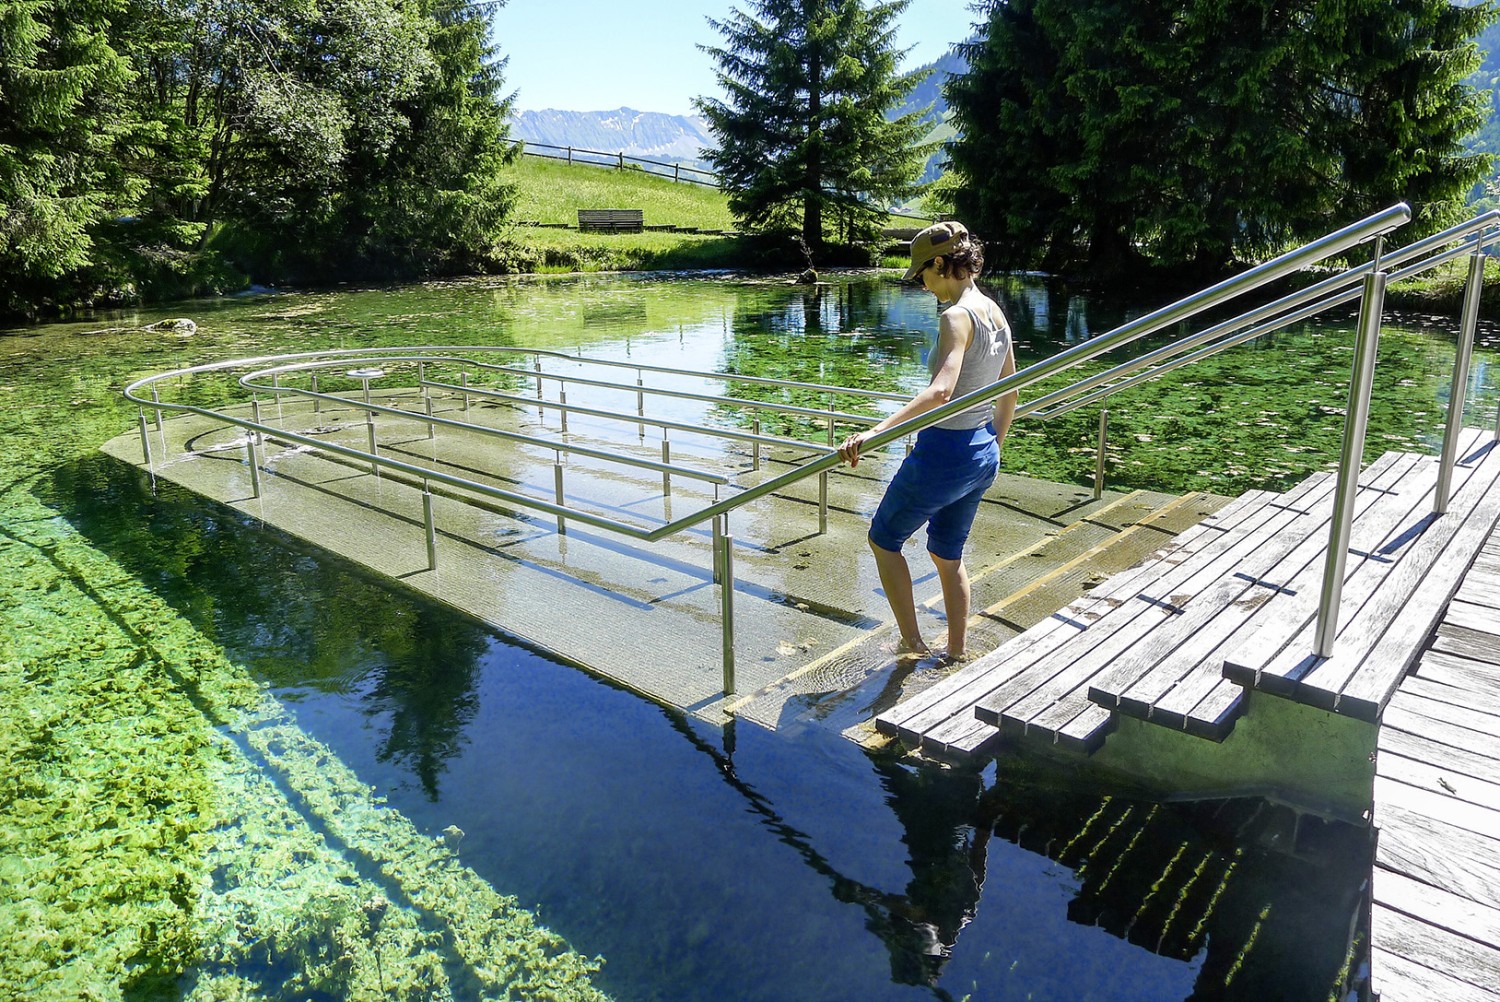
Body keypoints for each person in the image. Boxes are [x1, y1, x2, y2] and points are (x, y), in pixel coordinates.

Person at [838, 221, 1017, 661]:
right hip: (980, 450)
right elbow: (1010, 387)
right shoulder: (995, 312)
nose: (922, 285)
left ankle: (912, 644)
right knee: (948, 555)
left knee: (883, 539)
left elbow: (941, 391)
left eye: (923, 276)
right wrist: (993, 441)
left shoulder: (956, 316)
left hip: (944, 450)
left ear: (940, 264)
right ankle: (956, 652)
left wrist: (876, 433)